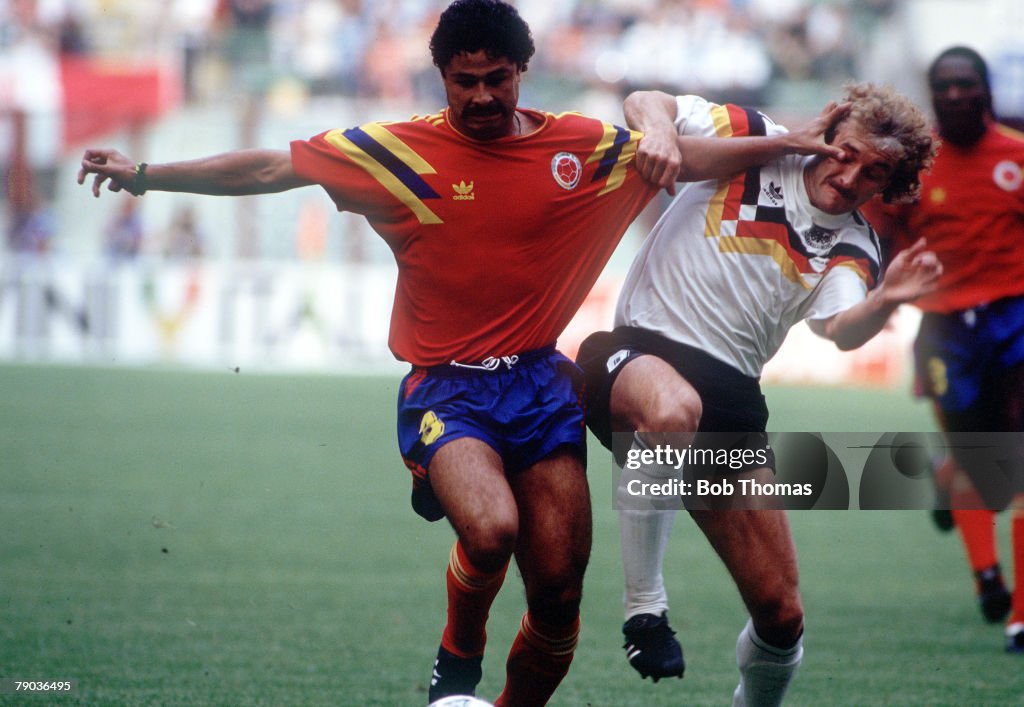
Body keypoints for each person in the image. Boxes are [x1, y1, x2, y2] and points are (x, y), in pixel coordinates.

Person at [77, 2, 830, 703]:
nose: (479, 96)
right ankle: (456, 658)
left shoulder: (582, 150)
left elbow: (690, 159)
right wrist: (145, 175)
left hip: (541, 386)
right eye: (463, 81)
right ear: (442, 78)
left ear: (520, 73)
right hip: (446, 389)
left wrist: (790, 142)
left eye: (494, 80)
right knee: (493, 527)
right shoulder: (397, 152)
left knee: (561, 593)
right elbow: (273, 168)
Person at [576, 82, 941, 704]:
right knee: (672, 410)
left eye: (874, 172)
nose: (851, 176)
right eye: (846, 153)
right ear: (830, 134)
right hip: (636, 354)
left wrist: (886, 301)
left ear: (890, 184)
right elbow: (645, 101)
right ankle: (645, 609)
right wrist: (661, 134)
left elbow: (841, 331)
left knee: (781, 614)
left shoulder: (852, 243)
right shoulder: (750, 135)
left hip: (733, 404)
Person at [864, 46, 1024, 654]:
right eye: (944, 86)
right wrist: (876, 299)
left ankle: (1019, 618)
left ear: (986, 90)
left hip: (1015, 317)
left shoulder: (1017, 156)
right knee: (983, 465)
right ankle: (987, 573)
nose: (956, 95)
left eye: (966, 84)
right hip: (945, 331)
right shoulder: (913, 167)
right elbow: (883, 236)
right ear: (932, 95)